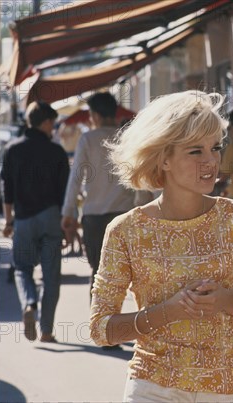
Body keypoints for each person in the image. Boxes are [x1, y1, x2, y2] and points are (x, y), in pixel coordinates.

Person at [89, 90, 233, 402]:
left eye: (215, 148)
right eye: (195, 151)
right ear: (163, 157)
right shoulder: (126, 230)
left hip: (225, 388)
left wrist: (227, 301)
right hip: (151, 387)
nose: (211, 161)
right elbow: (101, 330)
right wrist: (171, 310)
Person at [61, 92, 142, 301]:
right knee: (128, 274)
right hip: (124, 215)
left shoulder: (87, 139)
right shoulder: (127, 138)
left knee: (98, 273)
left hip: (94, 218)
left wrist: (68, 212)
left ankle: (98, 325)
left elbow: (75, 178)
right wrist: (141, 207)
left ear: (95, 115)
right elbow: (139, 176)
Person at [1, 101, 70, 342]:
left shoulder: (11, 150)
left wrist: (8, 221)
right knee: (51, 276)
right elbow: (65, 193)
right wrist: (67, 223)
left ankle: (29, 302)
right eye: (53, 124)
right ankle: (47, 331)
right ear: (46, 122)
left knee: (22, 268)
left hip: (23, 220)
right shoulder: (57, 152)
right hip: (51, 217)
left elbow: (6, 190)